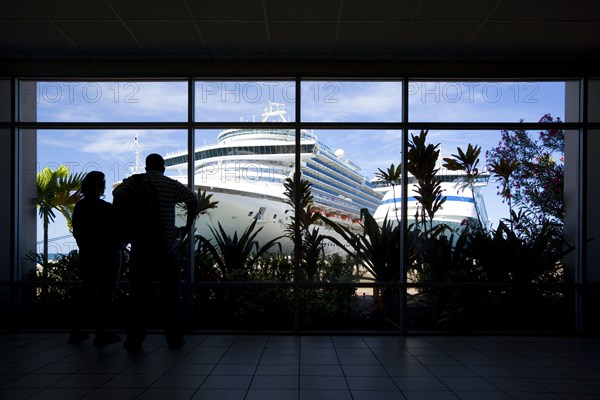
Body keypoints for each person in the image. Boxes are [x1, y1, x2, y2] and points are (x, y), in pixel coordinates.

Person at [113, 153, 198, 352]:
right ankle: (174, 338)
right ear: (163, 167)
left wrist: (124, 227)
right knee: (171, 295)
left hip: (141, 247)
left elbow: (117, 195)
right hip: (166, 248)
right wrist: (185, 227)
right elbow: (192, 199)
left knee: (138, 296)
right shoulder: (170, 184)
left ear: (146, 167)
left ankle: (135, 339)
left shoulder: (134, 183)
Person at [70, 171, 122, 345]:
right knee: (107, 294)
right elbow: (116, 232)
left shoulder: (80, 208)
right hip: (108, 255)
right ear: (100, 187)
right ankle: (102, 332)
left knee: (88, 292)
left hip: (87, 255)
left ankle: (78, 329)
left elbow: (77, 232)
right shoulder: (107, 208)